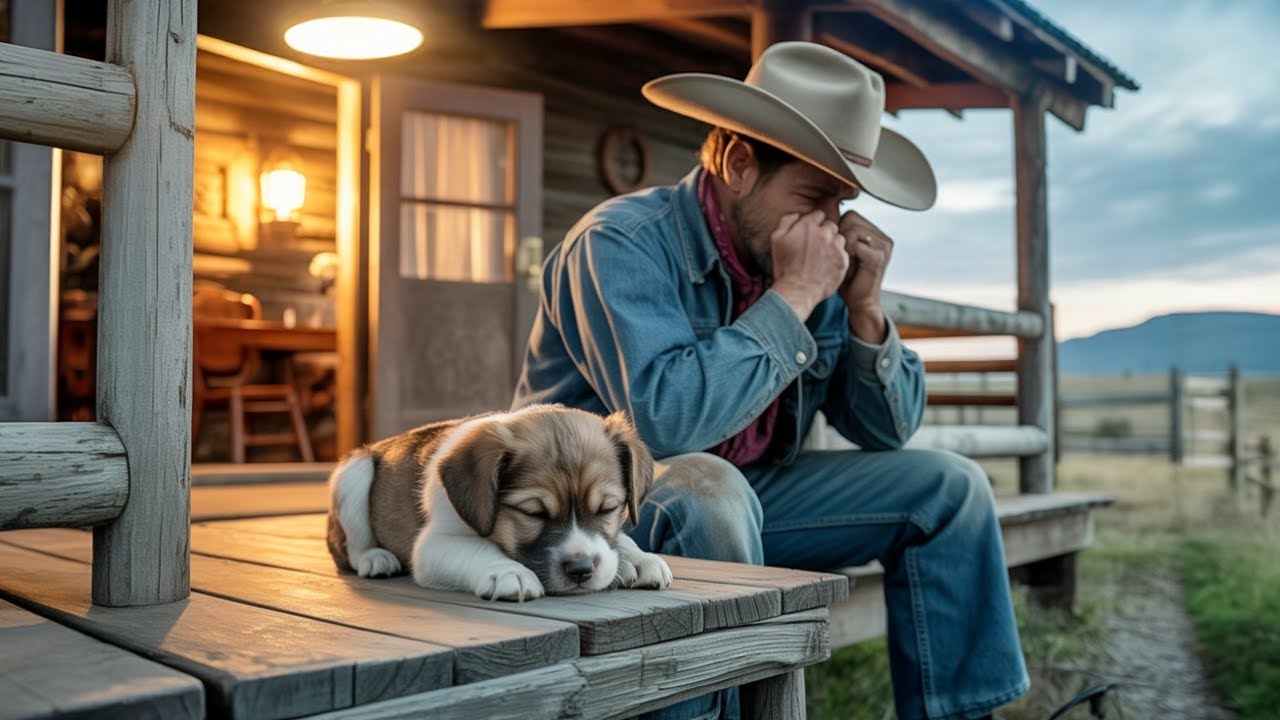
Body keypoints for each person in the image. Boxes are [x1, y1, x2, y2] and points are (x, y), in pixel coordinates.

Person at [511, 41, 1028, 720]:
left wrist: (866, 310)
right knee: (711, 491)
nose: (829, 224)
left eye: (840, 202)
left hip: (752, 500)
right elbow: (664, 426)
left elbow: (886, 430)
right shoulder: (619, 244)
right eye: (814, 195)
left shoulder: (811, 266)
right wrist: (792, 299)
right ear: (737, 162)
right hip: (604, 515)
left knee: (950, 489)